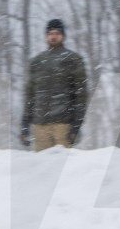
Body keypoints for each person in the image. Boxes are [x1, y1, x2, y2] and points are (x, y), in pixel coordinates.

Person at [20, 18, 89, 150]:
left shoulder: (73, 59)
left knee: (64, 162)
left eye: (57, 33)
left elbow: (81, 96)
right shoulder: (37, 61)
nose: (53, 36)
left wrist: (76, 126)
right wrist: (25, 125)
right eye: (50, 33)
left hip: (63, 125)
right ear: (46, 36)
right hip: (40, 125)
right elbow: (30, 96)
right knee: (42, 162)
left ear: (63, 36)